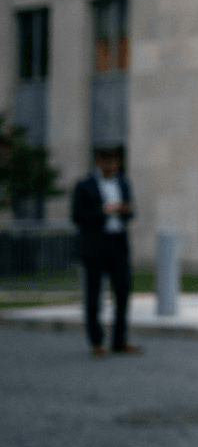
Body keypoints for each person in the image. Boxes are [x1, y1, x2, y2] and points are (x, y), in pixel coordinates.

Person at [70, 147, 139, 357]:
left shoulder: (123, 183)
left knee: (123, 292)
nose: (111, 165)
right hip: (95, 245)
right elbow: (77, 215)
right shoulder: (84, 185)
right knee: (94, 294)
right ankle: (96, 342)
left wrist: (126, 212)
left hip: (117, 243)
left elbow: (130, 211)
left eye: (114, 160)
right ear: (98, 162)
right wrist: (104, 210)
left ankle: (119, 340)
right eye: (106, 160)